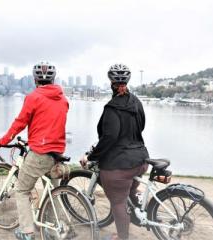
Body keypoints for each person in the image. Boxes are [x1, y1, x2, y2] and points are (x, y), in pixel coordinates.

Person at [0, 61, 69, 240]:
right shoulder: (63, 99)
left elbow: (20, 123)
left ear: (35, 79)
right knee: (53, 192)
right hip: (57, 154)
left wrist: (2, 141)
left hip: (40, 153)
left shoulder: (33, 97)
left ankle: (27, 232)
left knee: (21, 190)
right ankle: (60, 228)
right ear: (53, 79)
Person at [81, 64, 149, 240]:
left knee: (118, 202)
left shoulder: (112, 108)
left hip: (120, 164)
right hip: (141, 160)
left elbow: (109, 137)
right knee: (130, 190)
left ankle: (122, 237)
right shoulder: (136, 101)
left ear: (111, 82)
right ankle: (139, 213)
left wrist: (91, 156)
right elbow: (141, 126)